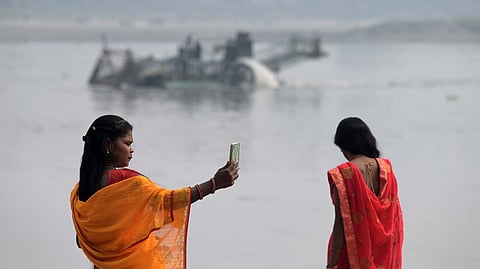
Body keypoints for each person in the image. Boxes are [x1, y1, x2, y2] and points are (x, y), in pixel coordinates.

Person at [70, 115, 239, 269]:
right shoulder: (127, 181)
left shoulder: (79, 191)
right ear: (108, 145)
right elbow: (168, 201)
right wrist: (214, 184)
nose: (132, 149)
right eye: (127, 143)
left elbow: (81, 242)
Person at [326, 117, 403, 269]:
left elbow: (340, 223)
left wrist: (331, 264)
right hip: (383, 255)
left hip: (349, 255)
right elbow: (394, 219)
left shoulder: (342, 175)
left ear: (344, 146)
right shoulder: (387, 169)